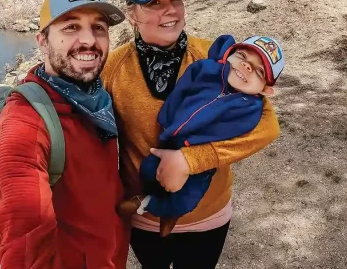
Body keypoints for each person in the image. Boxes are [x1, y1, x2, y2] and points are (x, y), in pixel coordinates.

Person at [101, 0, 281, 269]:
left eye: (175, 0)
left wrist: (191, 160)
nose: (170, 11)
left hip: (207, 214)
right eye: (154, 3)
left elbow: (267, 126)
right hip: (143, 216)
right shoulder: (112, 67)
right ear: (132, 14)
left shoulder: (216, 57)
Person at [0, 0, 130, 269]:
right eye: (70, 28)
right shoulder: (26, 121)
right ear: (42, 41)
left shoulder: (96, 96)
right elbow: (23, 246)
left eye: (98, 27)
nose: (88, 40)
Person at [117, 34, 285, 237]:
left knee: (186, 198)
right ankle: (156, 200)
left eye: (259, 71)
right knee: (147, 170)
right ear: (229, 54)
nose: (246, 67)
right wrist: (167, 120)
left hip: (199, 158)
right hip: (171, 140)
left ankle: (150, 206)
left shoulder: (249, 107)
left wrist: (191, 155)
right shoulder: (207, 69)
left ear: (267, 90)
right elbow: (182, 90)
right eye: (242, 56)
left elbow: (233, 132)